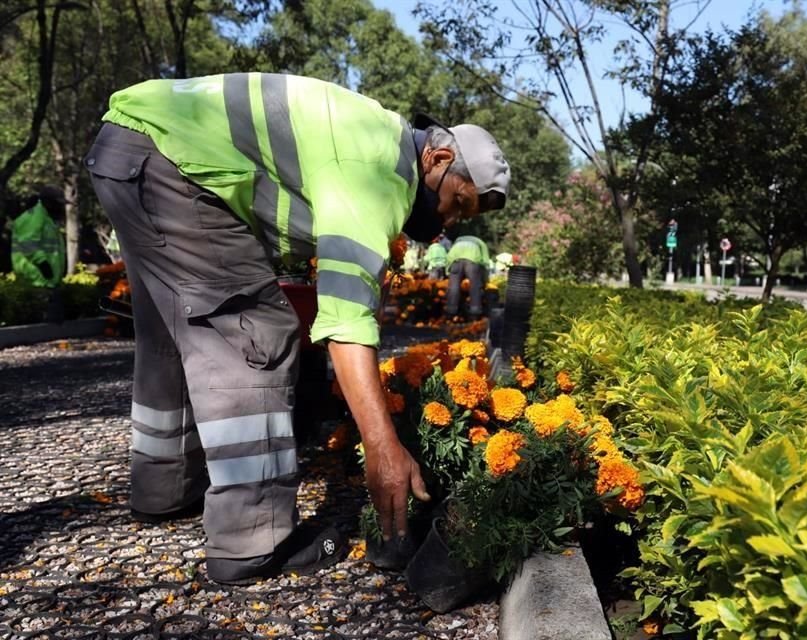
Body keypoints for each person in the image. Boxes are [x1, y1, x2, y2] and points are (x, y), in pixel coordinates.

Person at [84, 73, 510, 585]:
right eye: (458, 203)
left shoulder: (372, 133)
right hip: (171, 163)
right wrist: (384, 449)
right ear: (437, 161)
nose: (448, 223)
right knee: (256, 327)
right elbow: (347, 322)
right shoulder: (377, 168)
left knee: (176, 330)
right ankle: (253, 539)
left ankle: (163, 487)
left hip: (129, 147)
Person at [11, 186, 66, 321]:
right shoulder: (35, 217)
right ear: (47, 202)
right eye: (58, 203)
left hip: (46, 280)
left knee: (52, 327)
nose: (61, 207)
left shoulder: (47, 219)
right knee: (43, 322)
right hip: (36, 278)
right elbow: (28, 244)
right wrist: (42, 263)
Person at [445, 235, 490, 318]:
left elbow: (449, 256)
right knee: (475, 286)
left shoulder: (458, 240)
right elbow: (485, 261)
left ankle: (451, 310)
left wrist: (447, 271)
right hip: (472, 261)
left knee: (453, 286)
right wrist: (485, 279)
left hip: (456, 260)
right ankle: (475, 311)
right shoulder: (481, 243)